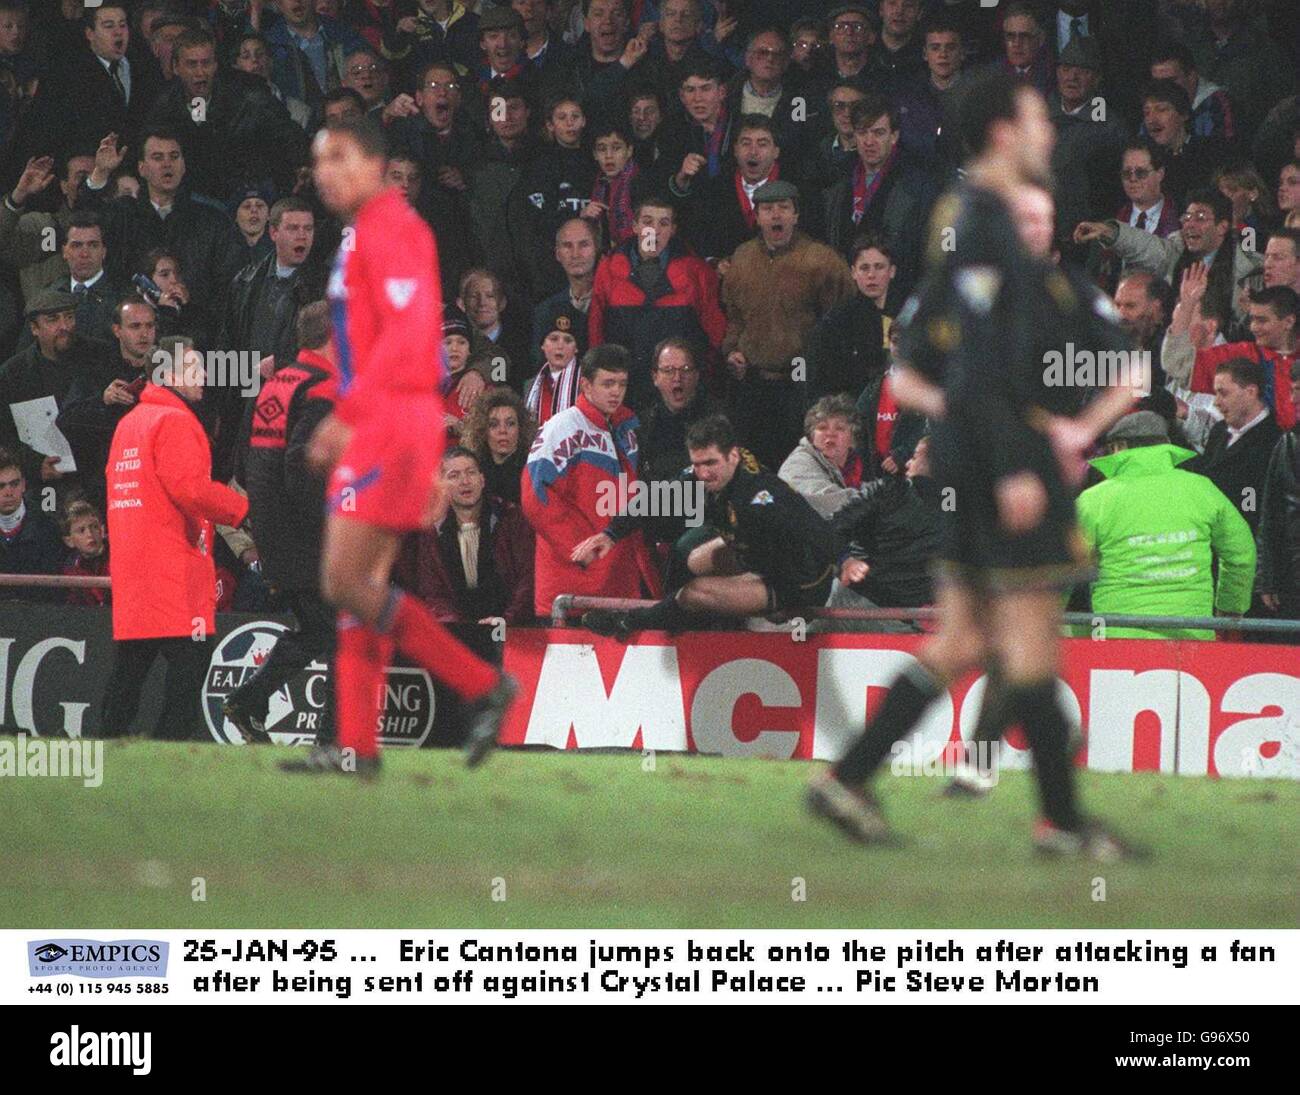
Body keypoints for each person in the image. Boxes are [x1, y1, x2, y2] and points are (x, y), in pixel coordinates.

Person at [806, 74, 1144, 858]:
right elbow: (981, 366)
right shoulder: (987, 224)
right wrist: (1018, 464)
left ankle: (848, 777)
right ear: (1002, 131)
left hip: (975, 457)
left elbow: (950, 360)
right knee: (1027, 640)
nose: (1048, 131)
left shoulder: (973, 220)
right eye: (1035, 119)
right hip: (1003, 462)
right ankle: (1061, 821)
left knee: (962, 640)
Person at [305, 117, 515, 776]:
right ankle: (357, 747)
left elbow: (410, 333)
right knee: (361, 586)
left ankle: (484, 684)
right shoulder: (360, 232)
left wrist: (349, 414)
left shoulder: (395, 228)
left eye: (338, 158)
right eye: (317, 162)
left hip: (390, 421)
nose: (325, 173)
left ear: (374, 165)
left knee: (342, 580)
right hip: (382, 420)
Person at [99, 335, 249, 739]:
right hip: (174, 573)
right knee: (190, 666)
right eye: (194, 366)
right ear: (169, 374)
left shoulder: (131, 423)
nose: (203, 374)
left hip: (136, 568)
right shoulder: (176, 421)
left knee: (130, 669)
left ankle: (103, 746)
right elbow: (191, 490)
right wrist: (242, 511)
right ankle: (168, 747)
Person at [580, 413, 836, 637]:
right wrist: (611, 533)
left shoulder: (761, 495)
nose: (702, 473)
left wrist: (846, 560)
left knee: (694, 594)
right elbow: (657, 496)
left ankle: (628, 622)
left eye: (710, 463)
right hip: (759, 554)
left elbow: (812, 526)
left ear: (732, 455)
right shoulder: (713, 473)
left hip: (797, 583)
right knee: (693, 558)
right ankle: (687, 626)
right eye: (697, 464)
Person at [222, 302, 338, 754]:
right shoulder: (323, 387)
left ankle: (247, 702)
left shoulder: (278, 382)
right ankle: (333, 742)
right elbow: (302, 464)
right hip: (305, 536)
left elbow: (247, 465)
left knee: (317, 631)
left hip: (271, 534)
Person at [1077, 410, 1255, 640]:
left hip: (1118, 640)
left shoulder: (1093, 501)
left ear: (1118, 448)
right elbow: (1241, 553)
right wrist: (1230, 609)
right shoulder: (1202, 489)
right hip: (1193, 635)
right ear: (1167, 444)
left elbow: (1061, 568)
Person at [721, 179, 855, 471]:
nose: (776, 215)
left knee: (799, 468)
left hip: (801, 386)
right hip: (753, 387)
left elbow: (843, 322)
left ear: (796, 215)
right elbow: (734, 317)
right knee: (753, 468)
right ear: (757, 217)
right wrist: (732, 349)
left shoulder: (822, 260)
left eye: (784, 208)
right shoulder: (742, 258)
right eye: (768, 209)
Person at [521, 344, 662, 619]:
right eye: (607, 383)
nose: (616, 391)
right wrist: (581, 551)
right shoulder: (562, 428)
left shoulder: (629, 430)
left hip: (620, 581)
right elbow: (535, 498)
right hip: (573, 584)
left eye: (622, 383)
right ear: (586, 384)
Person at [587, 193, 725, 410]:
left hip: (679, 393)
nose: (655, 230)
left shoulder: (696, 271)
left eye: (664, 223)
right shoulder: (609, 268)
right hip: (625, 391)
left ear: (673, 229)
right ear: (635, 227)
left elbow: (715, 333)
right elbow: (597, 331)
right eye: (647, 222)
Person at [398, 446, 535, 624]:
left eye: (470, 473)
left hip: (511, 627)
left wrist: (505, 621)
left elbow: (528, 580)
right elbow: (432, 592)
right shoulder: (429, 530)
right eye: (454, 476)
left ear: (482, 479)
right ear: (441, 485)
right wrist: (462, 629)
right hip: (456, 630)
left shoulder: (511, 517)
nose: (465, 481)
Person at [56, 295, 157, 510]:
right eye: (135, 326)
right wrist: (103, 400)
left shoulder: (170, 371)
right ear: (117, 330)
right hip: (113, 483)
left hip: (158, 477)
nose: (144, 333)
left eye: (149, 326)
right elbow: (66, 420)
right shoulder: (96, 371)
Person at [831, 432, 942, 615]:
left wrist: (845, 560)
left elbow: (833, 529)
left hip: (877, 606)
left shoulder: (887, 490)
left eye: (913, 457)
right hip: (919, 611)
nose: (907, 464)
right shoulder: (959, 504)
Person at [1186, 356, 1282, 537]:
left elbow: (1253, 505)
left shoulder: (1273, 441)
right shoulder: (1219, 431)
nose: (1216, 402)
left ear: (1250, 392)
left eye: (1224, 393)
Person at [805, 235, 890, 402]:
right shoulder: (835, 322)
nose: (871, 275)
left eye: (879, 267)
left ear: (892, 271)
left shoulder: (910, 317)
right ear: (853, 273)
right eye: (864, 268)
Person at [1257, 359, 1300, 629]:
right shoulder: (1287, 444)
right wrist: (1267, 578)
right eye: (1293, 390)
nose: (1294, 399)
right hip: (1292, 580)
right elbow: (1269, 514)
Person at [779, 394, 869, 519]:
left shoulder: (855, 466)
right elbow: (832, 503)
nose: (830, 434)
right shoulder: (798, 464)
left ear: (852, 439)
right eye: (822, 427)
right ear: (811, 436)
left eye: (839, 428)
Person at [0, 447, 63, 597]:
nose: (8, 492)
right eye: (1, 486)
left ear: (23, 485)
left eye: (14, 484)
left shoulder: (48, 528)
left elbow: (54, 592)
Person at [460, 386, 534, 506]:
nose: (503, 430)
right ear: (483, 430)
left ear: (521, 428)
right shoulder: (475, 471)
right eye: (494, 425)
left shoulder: (531, 472)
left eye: (510, 424)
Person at [525, 308, 581, 427]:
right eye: (554, 339)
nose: (560, 346)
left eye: (568, 340)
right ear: (542, 345)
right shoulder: (530, 386)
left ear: (576, 348)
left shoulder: (587, 383)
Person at [59, 497, 110, 607]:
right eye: (81, 530)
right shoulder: (70, 568)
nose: (90, 534)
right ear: (69, 541)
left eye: (94, 527)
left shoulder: (119, 555)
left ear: (103, 530)